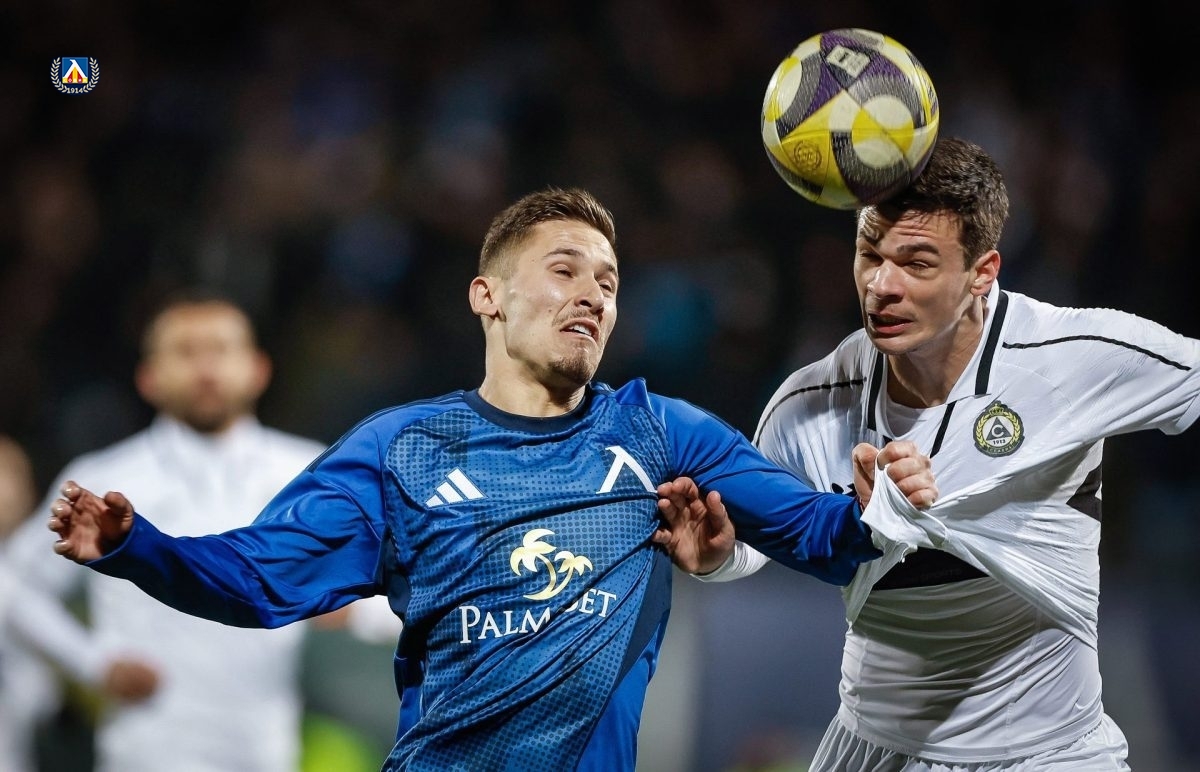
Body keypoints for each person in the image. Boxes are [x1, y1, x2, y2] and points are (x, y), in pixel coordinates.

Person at [45, 187, 938, 772]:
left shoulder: (658, 432)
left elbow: (816, 536)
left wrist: (872, 508)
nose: (593, 295)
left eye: (609, 282)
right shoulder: (400, 452)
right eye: (564, 270)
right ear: (489, 297)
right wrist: (137, 547)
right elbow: (260, 577)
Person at [659, 136, 1198, 770]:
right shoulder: (808, 402)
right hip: (874, 748)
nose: (881, 286)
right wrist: (718, 559)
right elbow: (760, 544)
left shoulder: (1070, 358)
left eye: (916, 263)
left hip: (1049, 753)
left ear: (982, 273)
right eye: (869, 254)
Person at [4, 290, 400, 772]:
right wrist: (94, 663)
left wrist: (357, 610)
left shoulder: (309, 473)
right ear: (149, 377)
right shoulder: (106, 479)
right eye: (186, 351)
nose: (206, 368)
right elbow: (15, 586)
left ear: (258, 369)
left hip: (262, 752)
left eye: (221, 349)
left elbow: (406, 581)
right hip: (145, 753)